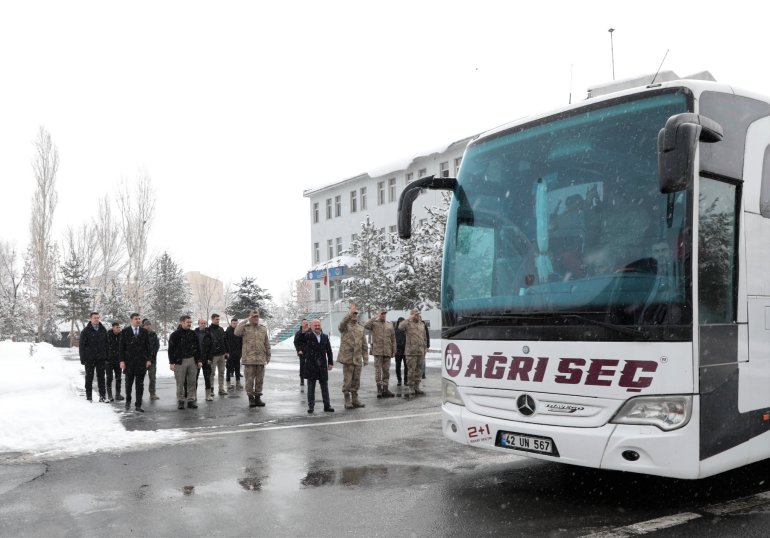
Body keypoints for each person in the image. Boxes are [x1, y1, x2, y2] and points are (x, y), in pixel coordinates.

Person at [234, 310, 271, 408]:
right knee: (249, 380)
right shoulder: (245, 328)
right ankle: (251, 398)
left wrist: (268, 355)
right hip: (249, 359)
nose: (255, 318)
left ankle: (258, 398)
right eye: (253, 317)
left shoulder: (263, 329)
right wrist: (246, 320)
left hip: (260, 359)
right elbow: (236, 332)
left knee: (260, 380)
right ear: (250, 317)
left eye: (257, 317)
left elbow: (266, 342)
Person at [168, 315, 203, 409]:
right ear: (182, 322)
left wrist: (199, 360)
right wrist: (171, 363)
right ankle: (181, 400)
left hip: (192, 360)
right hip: (180, 361)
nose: (190, 324)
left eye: (190, 322)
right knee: (180, 382)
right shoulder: (175, 334)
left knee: (192, 381)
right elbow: (171, 350)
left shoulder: (193, 334)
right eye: (188, 322)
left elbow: (198, 348)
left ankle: (191, 400)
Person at [337, 304, 368, 409]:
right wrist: (349, 313)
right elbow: (341, 324)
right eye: (353, 314)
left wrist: (366, 357)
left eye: (355, 314)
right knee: (348, 380)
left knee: (356, 380)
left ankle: (355, 399)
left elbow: (364, 344)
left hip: (357, 358)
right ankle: (347, 399)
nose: (354, 315)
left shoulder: (360, 328)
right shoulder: (345, 326)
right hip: (348, 358)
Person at [119, 313, 152, 412]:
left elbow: (148, 347)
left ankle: (138, 404)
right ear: (131, 320)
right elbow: (121, 348)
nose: (138, 320)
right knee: (128, 384)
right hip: (129, 363)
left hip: (141, 362)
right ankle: (128, 402)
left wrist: (149, 359)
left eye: (139, 319)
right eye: (136, 319)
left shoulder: (144, 332)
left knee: (140, 385)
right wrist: (122, 361)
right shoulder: (125, 332)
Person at [302, 319, 334, 414]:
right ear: (311, 327)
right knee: (311, 388)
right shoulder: (308, 336)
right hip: (311, 366)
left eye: (318, 325)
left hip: (322, 366)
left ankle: (327, 406)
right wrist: (304, 330)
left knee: (325, 387)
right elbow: (300, 340)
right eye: (315, 325)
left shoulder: (324, 336)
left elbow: (329, 350)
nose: (317, 327)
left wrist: (330, 362)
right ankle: (311, 406)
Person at [364, 308, 396, 398]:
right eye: (382, 313)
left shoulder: (389, 324)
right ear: (379, 314)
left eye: (384, 313)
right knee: (378, 371)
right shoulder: (374, 323)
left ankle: (385, 389)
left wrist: (394, 350)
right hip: (378, 351)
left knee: (386, 371)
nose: (383, 315)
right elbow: (366, 325)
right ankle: (379, 389)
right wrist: (375, 317)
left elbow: (393, 339)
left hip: (387, 351)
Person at [78, 311, 109, 402]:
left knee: (101, 378)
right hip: (89, 358)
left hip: (101, 358)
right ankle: (89, 396)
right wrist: (83, 359)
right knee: (89, 378)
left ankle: (102, 396)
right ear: (90, 319)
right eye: (94, 318)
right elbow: (82, 346)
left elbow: (107, 344)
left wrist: (107, 356)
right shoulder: (85, 331)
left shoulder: (103, 330)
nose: (96, 319)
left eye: (98, 317)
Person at [399, 309, 428, 398]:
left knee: (419, 371)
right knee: (411, 371)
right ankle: (411, 387)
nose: (417, 316)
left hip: (420, 351)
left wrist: (425, 347)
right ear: (412, 315)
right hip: (411, 352)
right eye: (415, 314)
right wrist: (408, 319)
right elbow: (400, 327)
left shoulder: (422, 324)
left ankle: (417, 387)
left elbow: (424, 337)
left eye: (418, 314)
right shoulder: (407, 323)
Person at [208, 313, 229, 396]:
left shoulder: (221, 329)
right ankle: (211, 389)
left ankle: (221, 389)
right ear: (212, 319)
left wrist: (227, 351)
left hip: (222, 354)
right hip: (213, 355)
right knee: (212, 373)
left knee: (221, 372)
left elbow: (225, 341)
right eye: (216, 319)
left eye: (218, 319)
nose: (218, 321)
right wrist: (209, 356)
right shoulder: (208, 330)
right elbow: (208, 344)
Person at [194, 319, 214, 401]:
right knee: (195, 377)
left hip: (206, 359)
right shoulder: (194, 333)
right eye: (201, 323)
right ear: (198, 324)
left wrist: (210, 358)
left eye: (204, 323)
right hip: (197, 359)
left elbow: (212, 347)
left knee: (207, 377)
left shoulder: (209, 334)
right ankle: (193, 395)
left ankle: (208, 395)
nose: (203, 324)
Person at [142, 319, 160, 400]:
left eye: (149, 324)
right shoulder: (140, 334)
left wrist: (152, 356)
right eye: (146, 324)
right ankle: (140, 393)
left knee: (152, 378)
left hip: (152, 360)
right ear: (143, 325)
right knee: (140, 378)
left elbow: (156, 346)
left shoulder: (153, 334)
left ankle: (152, 393)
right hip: (142, 360)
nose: (148, 326)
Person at [106, 322, 124, 402]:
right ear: (113, 327)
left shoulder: (122, 336)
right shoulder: (107, 335)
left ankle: (117, 394)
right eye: (117, 327)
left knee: (118, 378)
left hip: (118, 360)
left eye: (119, 327)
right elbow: (104, 347)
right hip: (109, 361)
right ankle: (109, 395)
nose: (118, 328)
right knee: (109, 378)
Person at [225, 318, 243, 391]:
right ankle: (228, 382)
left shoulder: (239, 331)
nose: (235, 325)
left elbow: (241, 342)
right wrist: (226, 352)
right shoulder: (227, 331)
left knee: (237, 368)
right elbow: (225, 342)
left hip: (237, 353)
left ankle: (238, 382)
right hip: (230, 353)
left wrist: (241, 351)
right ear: (231, 323)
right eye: (233, 323)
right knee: (229, 368)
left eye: (236, 323)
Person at [293, 318, 310, 387]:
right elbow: (296, 342)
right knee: (302, 366)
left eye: (306, 323)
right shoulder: (298, 333)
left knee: (310, 366)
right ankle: (302, 379)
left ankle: (310, 379)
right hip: (302, 352)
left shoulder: (310, 331)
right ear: (301, 324)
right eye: (304, 323)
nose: (305, 324)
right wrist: (298, 350)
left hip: (310, 351)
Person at [394, 316, 406, 387]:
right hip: (398, 351)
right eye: (400, 321)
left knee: (406, 366)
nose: (401, 323)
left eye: (402, 322)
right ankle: (399, 380)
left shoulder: (406, 330)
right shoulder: (395, 330)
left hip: (405, 350)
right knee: (398, 366)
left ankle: (405, 380)